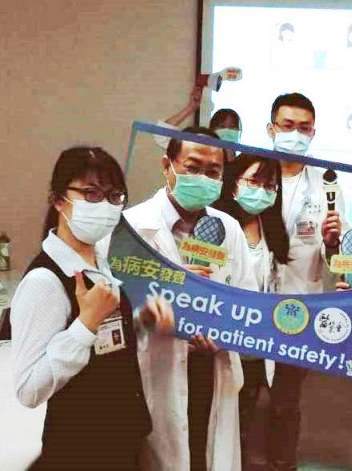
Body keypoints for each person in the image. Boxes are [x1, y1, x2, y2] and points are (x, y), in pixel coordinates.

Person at [10, 147, 174, 470]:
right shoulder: (44, 281)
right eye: (91, 193)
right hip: (80, 451)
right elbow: (28, 390)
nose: (105, 205)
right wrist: (84, 325)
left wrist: (141, 322)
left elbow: (105, 345)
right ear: (58, 200)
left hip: (122, 439)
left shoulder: (100, 259)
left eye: (114, 196)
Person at [123, 126, 257, 471]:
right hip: (157, 368)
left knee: (206, 455)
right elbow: (117, 315)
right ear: (167, 166)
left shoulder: (228, 229)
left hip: (213, 366)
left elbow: (248, 301)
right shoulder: (132, 228)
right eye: (193, 168)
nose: (203, 178)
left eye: (213, 172)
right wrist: (170, 295)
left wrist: (224, 334)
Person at [264, 92, 346, 470]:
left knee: (286, 398)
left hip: (300, 301)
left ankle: (282, 463)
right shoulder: (252, 174)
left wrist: (332, 241)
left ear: (313, 133)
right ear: (271, 129)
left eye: (304, 128)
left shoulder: (326, 182)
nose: (295, 134)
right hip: (252, 299)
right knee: (243, 390)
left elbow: (336, 255)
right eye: (288, 126)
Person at [211, 153, 291, 468]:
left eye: (270, 186)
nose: (262, 191)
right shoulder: (216, 225)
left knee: (244, 418)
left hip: (258, 345)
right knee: (217, 417)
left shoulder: (270, 227)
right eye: (254, 181)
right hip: (221, 340)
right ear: (233, 184)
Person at [154, 85, 242, 150]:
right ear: (212, 130)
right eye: (222, 126)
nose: (227, 130)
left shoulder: (245, 162)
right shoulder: (197, 151)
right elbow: (162, 136)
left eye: (232, 127)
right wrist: (190, 108)